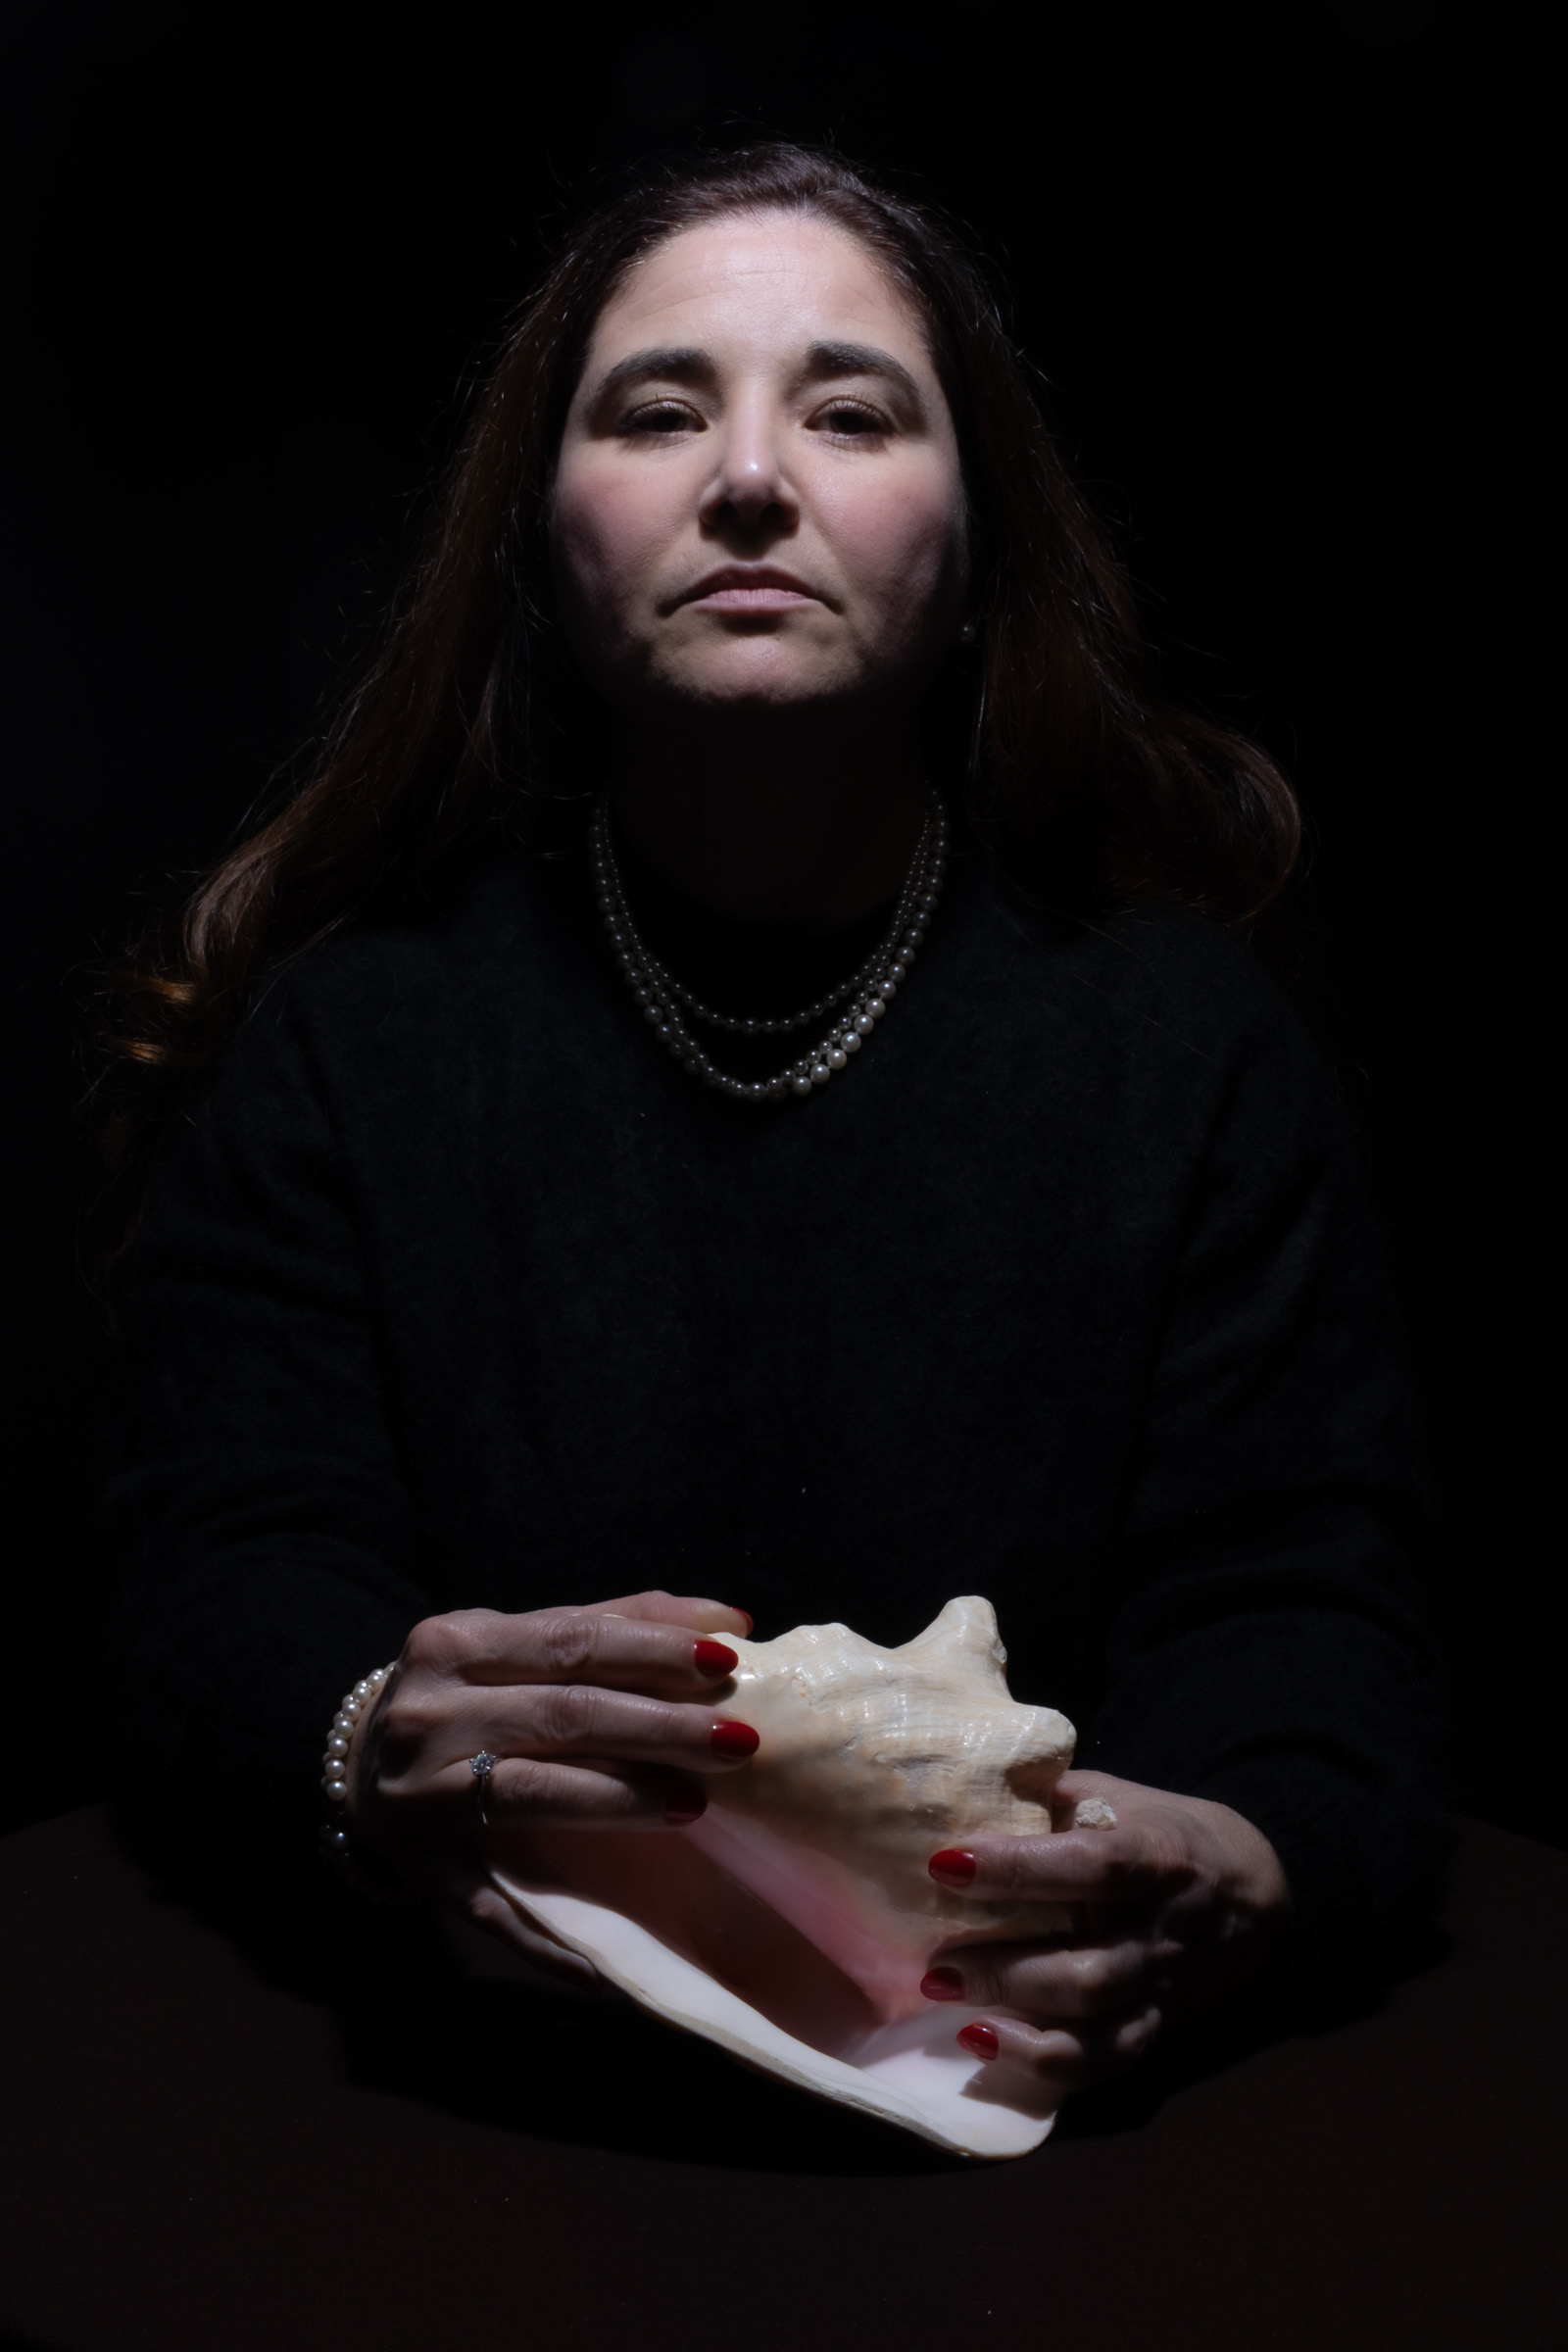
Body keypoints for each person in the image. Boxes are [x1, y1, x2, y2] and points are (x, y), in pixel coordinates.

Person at [104, 145, 1446, 2111]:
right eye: (658, 410)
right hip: (470, 2117)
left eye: (850, 412)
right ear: (540, 536)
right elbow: (214, 1575)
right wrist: (356, 1735)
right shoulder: (353, 1041)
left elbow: (1311, 1621)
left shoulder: (1189, 1054)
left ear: (974, 545)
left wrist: (1238, 1861)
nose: (747, 475)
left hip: (1042, 2127)